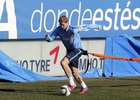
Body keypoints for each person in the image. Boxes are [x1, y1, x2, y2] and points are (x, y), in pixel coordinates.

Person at [45, 15, 101, 94]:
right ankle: (84, 86)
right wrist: (47, 38)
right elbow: (51, 38)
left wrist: (98, 26)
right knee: (75, 73)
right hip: (69, 51)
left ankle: (72, 84)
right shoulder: (58, 29)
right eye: (60, 24)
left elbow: (87, 26)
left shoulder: (73, 29)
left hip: (77, 50)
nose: (61, 26)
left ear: (67, 22)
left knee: (63, 62)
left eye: (63, 25)